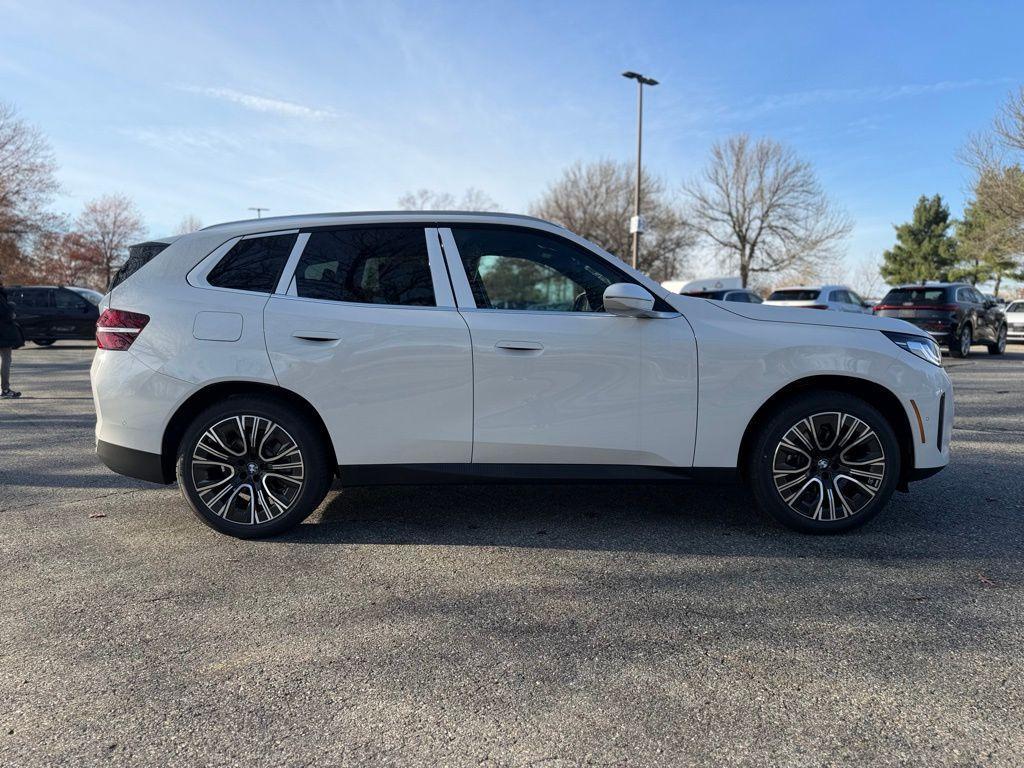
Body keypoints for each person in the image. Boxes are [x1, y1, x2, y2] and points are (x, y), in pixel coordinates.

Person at [0, 271, 23, 399]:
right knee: (6, 360)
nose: (2, 277)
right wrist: (11, 307)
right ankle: (5, 389)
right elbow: (4, 312)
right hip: (2, 332)